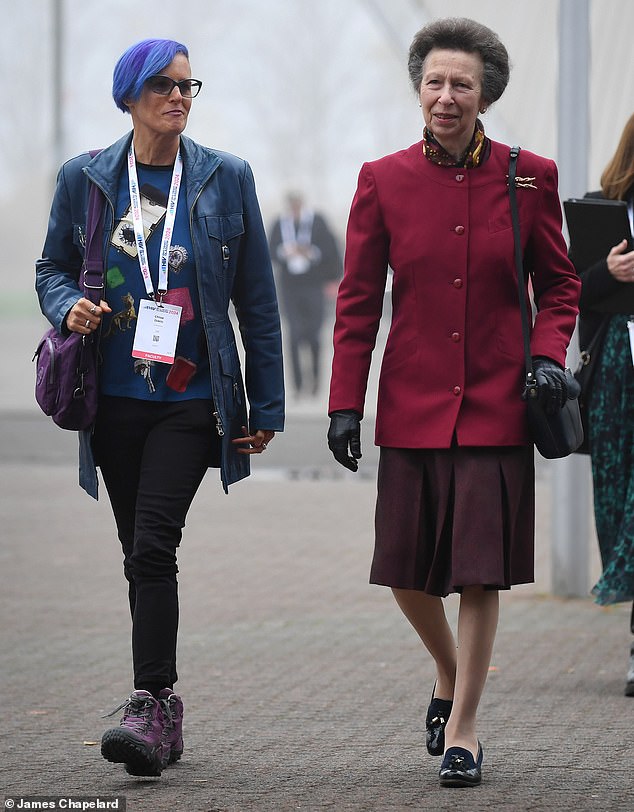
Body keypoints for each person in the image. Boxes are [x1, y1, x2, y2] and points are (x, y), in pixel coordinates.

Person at [327, 17, 580, 788]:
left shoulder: (531, 175)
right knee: (405, 571)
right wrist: (346, 403)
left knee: (479, 573)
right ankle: (446, 669)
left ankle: (466, 727)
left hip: (500, 403)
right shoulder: (383, 178)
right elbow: (359, 299)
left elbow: (561, 285)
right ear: (419, 88)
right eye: (435, 81)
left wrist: (544, 358)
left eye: (461, 83)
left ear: (485, 94)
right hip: (412, 402)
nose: (446, 96)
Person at [35, 38, 285, 777]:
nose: (179, 97)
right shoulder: (85, 177)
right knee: (138, 554)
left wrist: (264, 403)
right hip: (110, 397)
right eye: (164, 86)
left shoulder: (224, 178)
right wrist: (67, 305)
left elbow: (258, 302)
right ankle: (163, 714)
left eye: (188, 85)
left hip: (193, 398)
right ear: (129, 95)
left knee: (152, 543)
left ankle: (151, 700)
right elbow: (50, 266)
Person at [569, 112, 634, 696]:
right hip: (616, 376)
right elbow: (567, 292)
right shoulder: (599, 209)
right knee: (617, 507)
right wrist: (607, 271)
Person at [269, 192, 342, 399]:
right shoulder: (280, 224)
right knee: (294, 335)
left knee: (314, 335)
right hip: (290, 286)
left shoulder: (317, 222)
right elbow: (271, 250)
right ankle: (298, 384)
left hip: (313, 284)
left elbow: (330, 250)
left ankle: (316, 382)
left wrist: (310, 252)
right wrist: (286, 251)